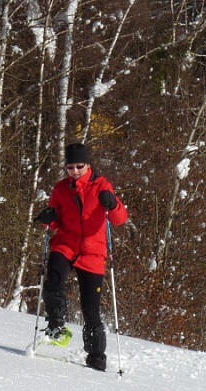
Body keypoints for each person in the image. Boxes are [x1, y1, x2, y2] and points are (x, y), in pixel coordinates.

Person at [34, 143, 128, 372]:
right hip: (66, 244)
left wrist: (112, 203)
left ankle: (96, 357)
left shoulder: (101, 186)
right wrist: (48, 217)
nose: (75, 171)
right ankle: (57, 327)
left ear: (88, 164)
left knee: (91, 309)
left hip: (93, 252)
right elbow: (54, 221)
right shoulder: (60, 189)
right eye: (70, 167)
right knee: (54, 280)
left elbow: (119, 219)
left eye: (79, 166)